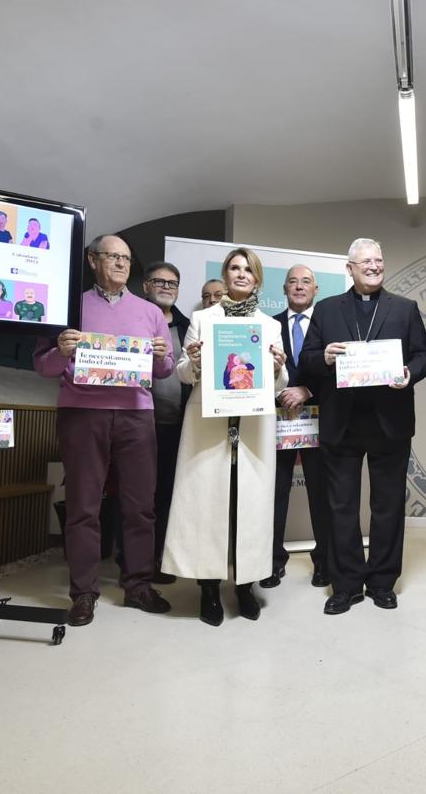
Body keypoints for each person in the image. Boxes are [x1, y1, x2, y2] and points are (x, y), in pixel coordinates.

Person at [33, 234, 174, 627]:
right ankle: (83, 592)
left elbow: (163, 370)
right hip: (82, 413)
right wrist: (59, 350)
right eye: (112, 256)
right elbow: (42, 366)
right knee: (83, 505)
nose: (120, 264)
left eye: (126, 258)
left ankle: (139, 585)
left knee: (140, 506)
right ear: (92, 259)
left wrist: (163, 356)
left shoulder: (150, 312)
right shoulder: (68, 306)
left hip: (136, 413)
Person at [299, 238, 426, 614]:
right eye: (366, 262)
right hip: (341, 422)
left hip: (389, 422)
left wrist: (411, 372)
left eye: (378, 260)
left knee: (387, 505)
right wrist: (324, 357)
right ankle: (345, 585)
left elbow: (424, 354)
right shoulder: (325, 310)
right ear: (350, 268)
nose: (374, 266)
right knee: (341, 507)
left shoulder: (404, 309)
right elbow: (307, 359)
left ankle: (382, 582)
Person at [161, 247, 288, 625]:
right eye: (234, 268)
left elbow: (280, 382)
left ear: (257, 278)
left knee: (248, 505)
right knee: (207, 505)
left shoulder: (270, 326)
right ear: (226, 274)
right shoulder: (202, 319)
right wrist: (196, 361)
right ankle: (209, 590)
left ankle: (245, 587)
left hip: (253, 425)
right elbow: (182, 373)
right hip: (209, 424)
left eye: (248, 269)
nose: (241, 274)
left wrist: (279, 367)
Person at [264, 265, 334, 589]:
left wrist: (308, 390)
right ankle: (272, 562)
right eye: (293, 281)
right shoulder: (268, 326)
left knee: (321, 494)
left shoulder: (329, 326)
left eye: (306, 281)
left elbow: (337, 374)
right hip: (276, 420)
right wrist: (280, 391)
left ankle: (324, 563)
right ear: (284, 289)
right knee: (274, 493)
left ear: (316, 289)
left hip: (319, 419)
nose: (299, 286)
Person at [140, 261, 192, 585]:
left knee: (168, 495)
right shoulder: (130, 318)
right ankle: (134, 560)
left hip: (178, 424)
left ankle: (161, 557)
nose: (166, 287)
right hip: (137, 421)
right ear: (145, 285)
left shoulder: (188, 326)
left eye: (172, 283)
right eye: (159, 281)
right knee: (137, 495)